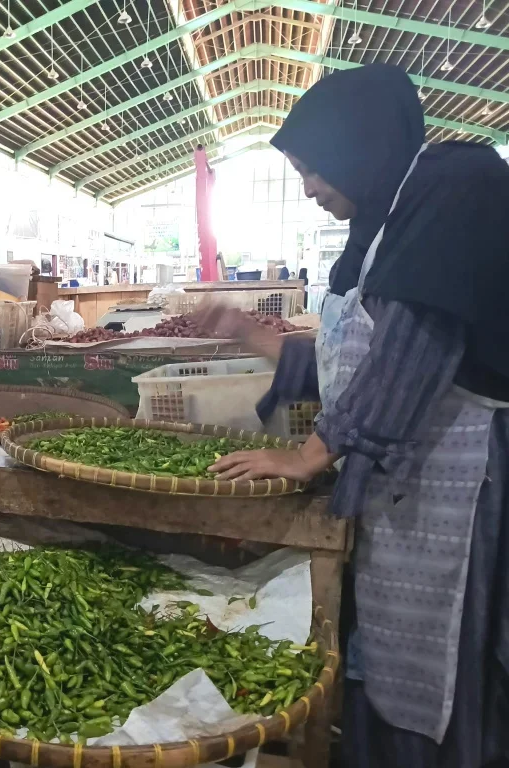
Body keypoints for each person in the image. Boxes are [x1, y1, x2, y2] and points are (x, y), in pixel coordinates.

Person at [200, 64, 509, 768]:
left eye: (314, 169)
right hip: (409, 481)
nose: (310, 189)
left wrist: (310, 454)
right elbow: (356, 360)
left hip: (467, 484)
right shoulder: (381, 224)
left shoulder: (456, 187)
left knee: (445, 653)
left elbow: (418, 344)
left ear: (358, 146)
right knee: (393, 648)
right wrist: (252, 336)